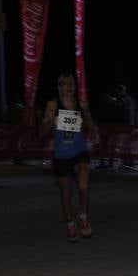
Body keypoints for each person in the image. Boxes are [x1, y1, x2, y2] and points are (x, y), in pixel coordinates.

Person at [42, 72, 99, 242]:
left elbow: (89, 121)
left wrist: (94, 129)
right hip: (62, 155)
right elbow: (41, 132)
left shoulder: (81, 103)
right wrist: (53, 122)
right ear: (59, 87)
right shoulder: (53, 104)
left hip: (80, 151)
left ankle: (82, 215)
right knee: (66, 193)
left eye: (72, 84)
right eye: (65, 84)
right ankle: (70, 224)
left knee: (83, 185)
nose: (69, 87)